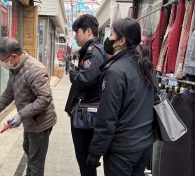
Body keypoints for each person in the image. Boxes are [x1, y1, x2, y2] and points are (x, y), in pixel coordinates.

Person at [86, 17, 155, 176]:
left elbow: (107, 117)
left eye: (111, 34)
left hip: (122, 152)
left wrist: (95, 151)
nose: (108, 38)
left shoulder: (115, 71)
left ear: (121, 40)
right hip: (143, 146)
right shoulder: (145, 65)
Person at [0, 37, 57, 176]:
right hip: (30, 120)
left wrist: (20, 115)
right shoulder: (15, 68)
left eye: (2, 60)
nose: (1, 63)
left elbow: (45, 99)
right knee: (28, 150)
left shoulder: (35, 70)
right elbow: (9, 93)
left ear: (14, 56)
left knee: (36, 162)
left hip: (40, 123)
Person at [64, 14, 108, 176]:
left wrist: (73, 73)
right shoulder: (92, 51)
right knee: (85, 160)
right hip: (86, 113)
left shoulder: (93, 53)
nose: (75, 37)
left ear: (88, 31)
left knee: (85, 160)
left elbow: (83, 81)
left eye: (77, 32)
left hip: (86, 115)